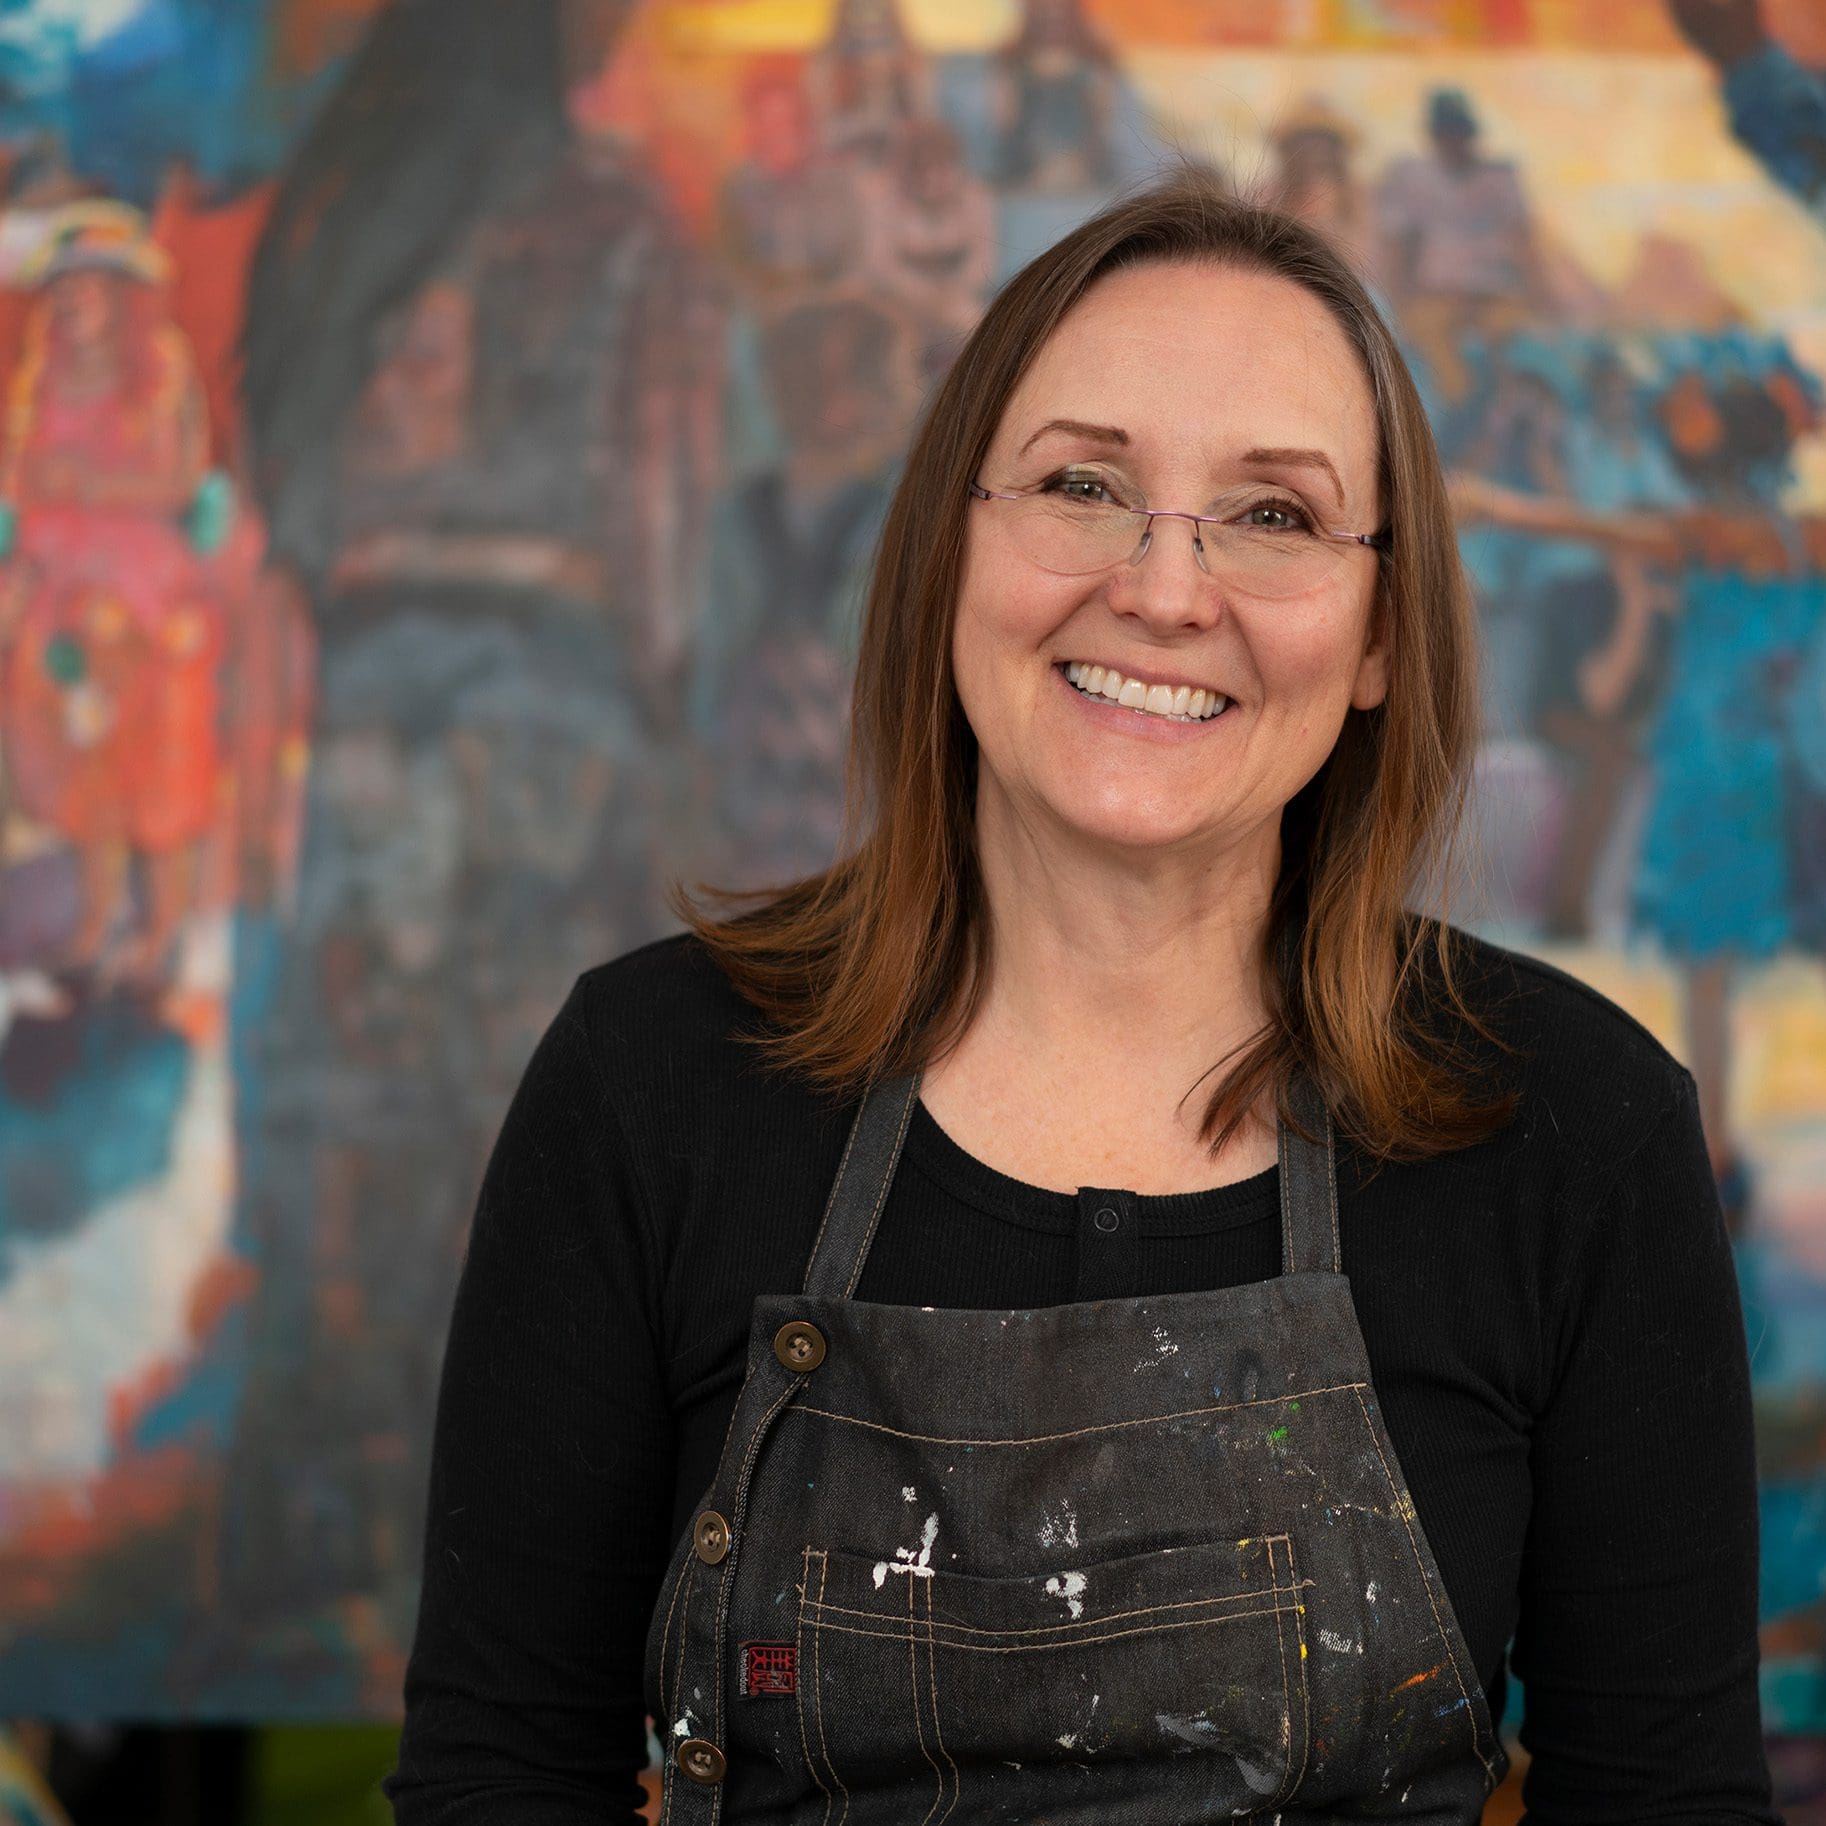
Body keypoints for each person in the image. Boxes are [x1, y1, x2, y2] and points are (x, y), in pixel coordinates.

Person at [386, 177, 1775, 1822]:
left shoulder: (1573, 1127)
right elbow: (500, 1780)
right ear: (948, 547)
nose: (1164, 588)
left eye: (1270, 514)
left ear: (1382, 628)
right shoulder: (650, 1083)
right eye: (1080, 484)